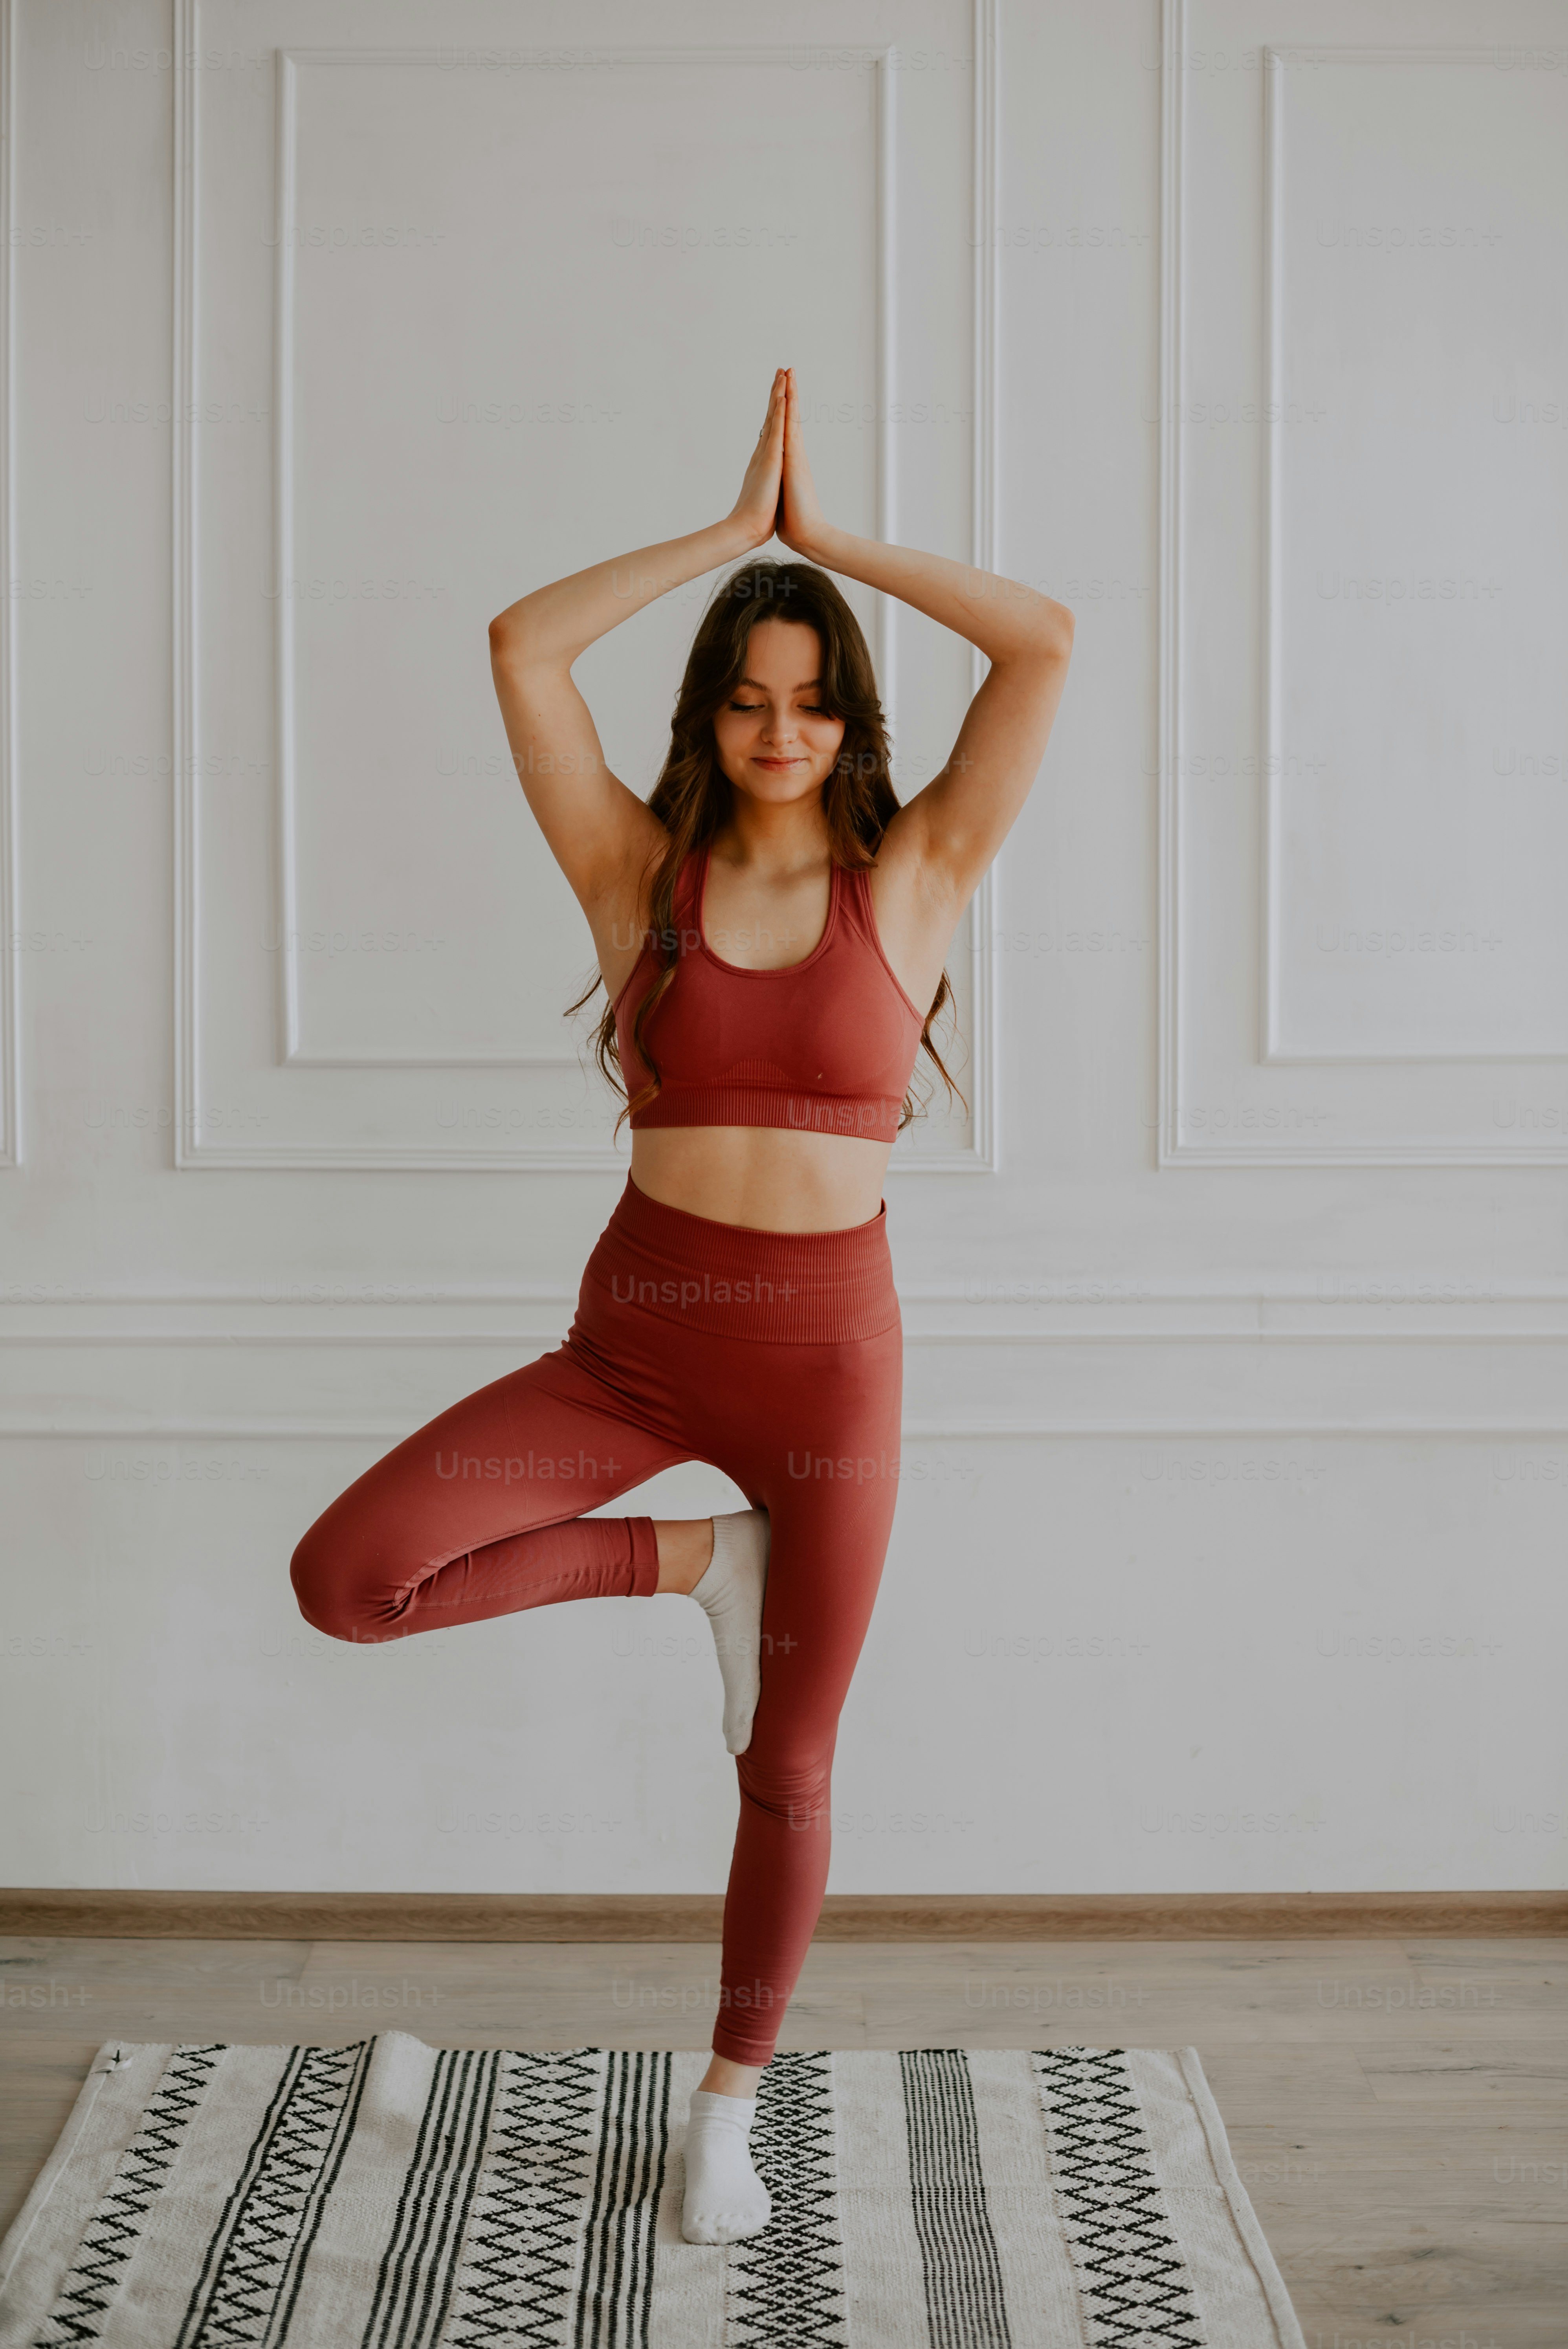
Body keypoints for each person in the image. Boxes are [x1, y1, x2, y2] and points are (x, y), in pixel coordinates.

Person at [289, 368, 1073, 2243]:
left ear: (849, 717)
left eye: (811, 698)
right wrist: (730, 537)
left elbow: (1041, 641)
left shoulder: (920, 871)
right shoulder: (632, 872)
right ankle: (694, 1565)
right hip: (631, 1352)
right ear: (705, 714)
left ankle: (726, 2106)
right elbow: (519, 644)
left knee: (785, 1765)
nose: (780, 729)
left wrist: (829, 541)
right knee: (349, 1579)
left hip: (828, 1376)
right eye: (745, 695)